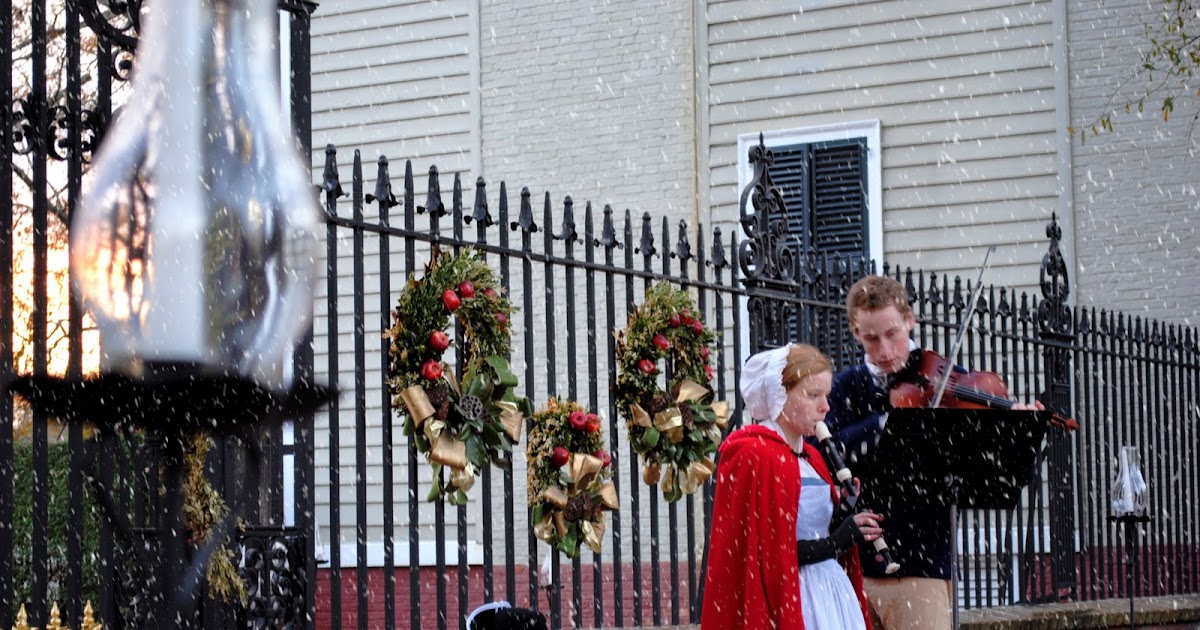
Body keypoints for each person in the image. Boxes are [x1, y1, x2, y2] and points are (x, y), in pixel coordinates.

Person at [825, 275, 1041, 630]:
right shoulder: (844, 387)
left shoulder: (949, 382)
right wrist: (885, 423)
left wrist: (1017, 432)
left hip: (921, 569)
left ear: (910, 319)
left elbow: (1004, 470)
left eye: (892, 333)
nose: (885, 351)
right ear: (854, 332)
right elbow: (827, 452)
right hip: (853, 568)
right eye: (871, 339)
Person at [701, 343, 883, 630]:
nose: (825, 406)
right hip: (790, 596)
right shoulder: (752, 453)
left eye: (826, 395)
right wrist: (836, 543)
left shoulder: (812, 458)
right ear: (779, 396)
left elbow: (809, 527)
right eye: (813, 396)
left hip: (829, 593)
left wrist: (844, 511)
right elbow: (766, 554)